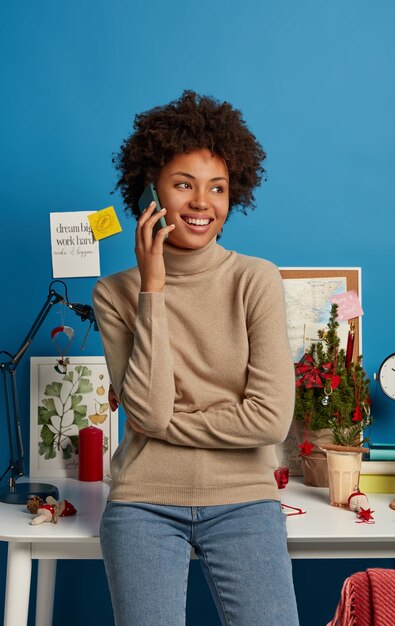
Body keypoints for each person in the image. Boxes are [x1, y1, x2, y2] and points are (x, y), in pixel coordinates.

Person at [93, 90, 299, 626]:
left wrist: (166, 423)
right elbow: (149, 410)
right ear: (149, 192)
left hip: (245, 501)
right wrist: (153, 289)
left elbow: (271, 419)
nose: (202, 202)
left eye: (218, 188)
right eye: (183, 184)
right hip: (143, 503)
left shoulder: (256, 280)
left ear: (236, 196)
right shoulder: (115, 294)